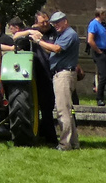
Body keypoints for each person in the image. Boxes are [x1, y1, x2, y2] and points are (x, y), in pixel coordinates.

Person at [30, 11, 80, 150]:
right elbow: (51, 51)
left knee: (63, 111)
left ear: (65, 21)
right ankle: (74, 143)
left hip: (63, 74)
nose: (55, 25)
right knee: (66, 110)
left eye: (58, 22)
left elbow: (56, 49)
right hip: (61, 74)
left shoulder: (69, 34)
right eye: (54, 23)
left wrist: (39, 41)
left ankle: (64, 144)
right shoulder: (63, 35)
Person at [86, 8, 106, 106]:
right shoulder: (94, 24)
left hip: (105, 51)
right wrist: (98, 51)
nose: (105, 16)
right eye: (104, 14)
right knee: (104, 75)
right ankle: (99, 98)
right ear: (100, 14)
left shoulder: (102, 25)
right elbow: (90, 40)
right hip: (99, 52)